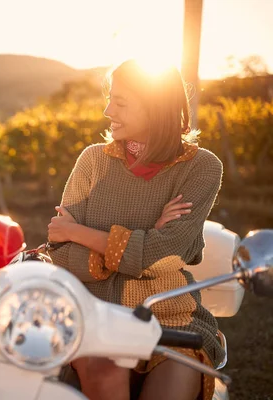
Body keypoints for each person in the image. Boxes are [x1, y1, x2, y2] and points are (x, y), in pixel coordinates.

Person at [47, 59, 224, 400]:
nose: (107, 110)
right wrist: (144, 239)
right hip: (94, 315)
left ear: (156, 108)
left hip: (171, 317)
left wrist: (78, 233)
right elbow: (60, 254)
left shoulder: (202, 167)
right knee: (101, 373)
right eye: (110, 99)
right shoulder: (93, 160)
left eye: (121, 103)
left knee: (175, 381)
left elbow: (167, 255)